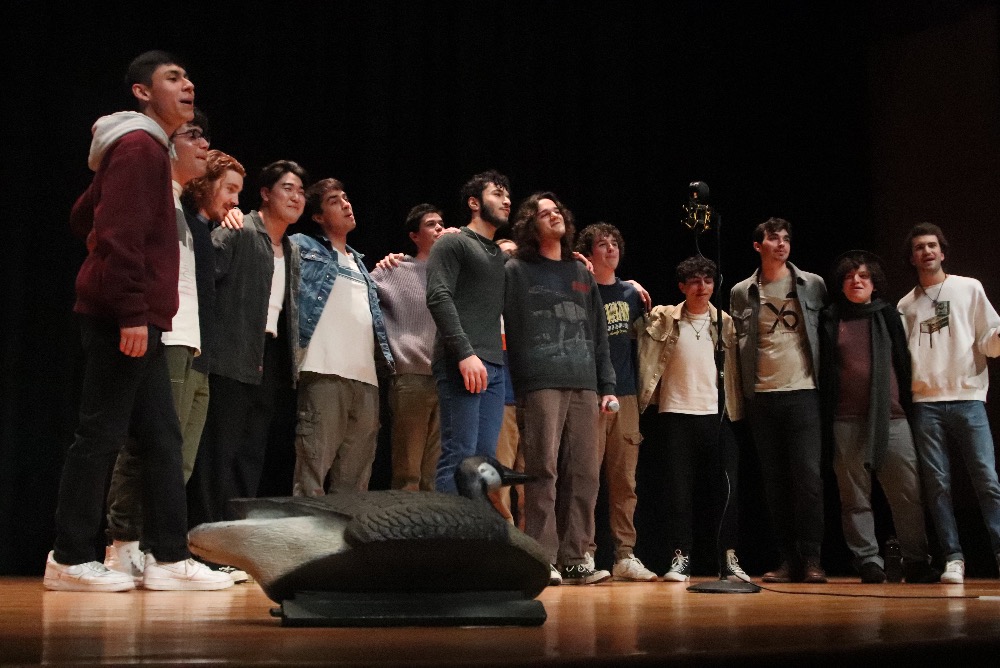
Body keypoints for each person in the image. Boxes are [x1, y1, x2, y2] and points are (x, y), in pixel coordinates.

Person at [45, 51, 230, 591]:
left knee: (161, 437)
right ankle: (70, 556)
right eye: (173, 77)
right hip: (121, 315)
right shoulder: (139, 145)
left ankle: (170, 557)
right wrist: (130, 309)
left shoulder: (138, 149)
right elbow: (117, 235)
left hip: (143, 314)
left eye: (189, 76)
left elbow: (87, 216)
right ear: (142, 92)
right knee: (100, 432)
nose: (188, 83)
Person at [504, 192, 616, 585]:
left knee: (586, 472)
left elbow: (598, 331)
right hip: (540, 380)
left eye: (557, 211)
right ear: (530, 226)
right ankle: (541, 555)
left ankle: (576, 555)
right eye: (544, 213)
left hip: (584, 381)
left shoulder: (582, 273)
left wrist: (607, 383)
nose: (553, 216)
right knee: (542, 470)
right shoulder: (516, 269)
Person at [187, 160, 306, 525]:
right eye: (288, 188)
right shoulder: (238, 228)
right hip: (228, 352)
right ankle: (204, 540)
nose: (297, 197)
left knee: (250, 454)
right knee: (218, 453)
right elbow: (202, 279)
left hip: (268, 358)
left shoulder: (293, 249)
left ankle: (233, 539)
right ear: (266, 194)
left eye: (301, 191)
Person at [819, 251, 938, 584]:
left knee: (908, 493)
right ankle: (868, 560)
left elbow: (903, 362)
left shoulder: (888, 316)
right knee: (854, 497)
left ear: (874, 284)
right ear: (841, 284)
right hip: (845, 420)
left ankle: (916, 560)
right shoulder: (830, 319)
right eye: (849, 277)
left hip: (893, 418)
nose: (856, 281)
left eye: (863, 276)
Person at [897, 222, 1000, 584]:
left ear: (942, 252)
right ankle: (953, 557)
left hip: (968, 398)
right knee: (937, 486)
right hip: (926, 402)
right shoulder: (905, 305)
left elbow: (989, 337)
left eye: (932, 246)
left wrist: (997, 338)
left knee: (986, 480)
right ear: (912, 257)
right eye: (919, 247)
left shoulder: (968, 288)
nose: (926, 252)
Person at [636, 255, 748, 583]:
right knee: (678, 492)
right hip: (675, 416)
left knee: (726, 491)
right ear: (682, 286)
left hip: (718, 417)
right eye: (695, 281)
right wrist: (630, 286)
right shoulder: (662, 319)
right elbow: (629, 323)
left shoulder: (725, 322)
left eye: (708, 281)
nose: (702, 287)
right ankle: (680, 557)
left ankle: (728, 559)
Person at [730, 217, 828, 583]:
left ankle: (813, 558)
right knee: (774, 482)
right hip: (762, 396)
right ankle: (788, 560)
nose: (782, 245)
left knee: (808, 478)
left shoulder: (812, 285)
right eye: (774, 240)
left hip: (803, 392)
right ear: (758, 246)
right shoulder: (742, 291)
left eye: (787, 239)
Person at [289, 178, 394, 495]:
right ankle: (308, 544)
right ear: (318, 216)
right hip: (324, 372)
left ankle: (346, 546)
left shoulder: (361, 265)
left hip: (366, 381)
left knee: (354, 485)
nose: (347, 204)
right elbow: (270, 240)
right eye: (335, 200)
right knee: (311, 478)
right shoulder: (303, 247)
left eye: (346, 197)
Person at [575, 223, 657, 582]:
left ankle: (625, 554)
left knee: (625, 482)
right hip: (589, 394)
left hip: (624, 395)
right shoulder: (580, 289)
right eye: (601, 245)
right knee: (586, 478)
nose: (610, 249)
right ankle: (584, 552)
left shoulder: (631, 295)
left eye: (614, 244)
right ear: (589, 253)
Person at [426, 171, 511, 494]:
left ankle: (472, 539)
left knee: (483, 461)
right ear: (474, 203)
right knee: (459, 454)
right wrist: (464, 353)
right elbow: (438, 296)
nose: (506, 201)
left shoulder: (499, 257)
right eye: (497, 194)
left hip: (494, 365)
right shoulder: (453, 242)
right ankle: (448, 541)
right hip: (462, 360)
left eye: (507, 196)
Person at [371, 204, 445, 491]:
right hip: (411, 376)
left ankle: (431, 534)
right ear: (415, 236)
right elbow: (363, 288)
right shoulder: (396, 269)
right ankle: (406, 532)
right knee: (408, 472)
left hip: (445, 378)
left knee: (435, 474)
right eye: (431, 224)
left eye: (441, 223)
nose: (439, 228)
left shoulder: (450, 274)